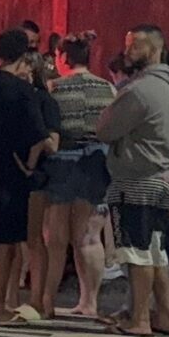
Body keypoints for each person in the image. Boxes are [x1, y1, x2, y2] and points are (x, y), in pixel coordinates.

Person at [95, 26, 169, 337]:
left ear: (151, 49)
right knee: (154, 251)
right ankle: (165, 315)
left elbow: (106, 129)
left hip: (136, 179)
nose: (127, 52)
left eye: (133, 46)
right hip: (163, 178)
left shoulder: (139, 91)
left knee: (135, 253)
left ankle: (139, 319)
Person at [0, 30, 58, 324]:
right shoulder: (22, 91)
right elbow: (38, 137)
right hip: (8, 173)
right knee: (5, 243)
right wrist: (28, 165)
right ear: (22, 55)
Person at [37, 34, 115, 320]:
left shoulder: (54, 87)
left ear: (63, 58)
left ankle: (46, 300)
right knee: (89, 237)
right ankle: (89, 302)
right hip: (97, 162)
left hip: (61, 163)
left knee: (55, 237)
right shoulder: (107, 88)